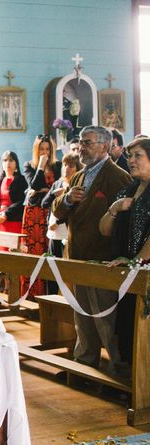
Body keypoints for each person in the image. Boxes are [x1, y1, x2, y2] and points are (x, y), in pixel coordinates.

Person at [53, 126, 132, 374]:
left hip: (101, 261)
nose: (82, 148)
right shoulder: (79, 176)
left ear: (104, 147)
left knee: (106, 322)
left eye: (87, 143)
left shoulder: (117, 177)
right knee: (82, 318)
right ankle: (84, 366)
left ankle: (121, 371)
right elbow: (58, 211)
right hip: (77, 258)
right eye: (81, 142)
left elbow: (124, 223)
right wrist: (67, 200)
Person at [99, 136, 150, 368]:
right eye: (129, 156)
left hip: (141, 270)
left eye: (138, 156)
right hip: (127, 270)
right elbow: (104, 230)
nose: (131, 160)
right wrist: (114, 208)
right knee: (128, 329)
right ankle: (132, 382)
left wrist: (134, 262)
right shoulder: (128, 189)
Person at [21, 134, 60, 298]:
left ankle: (49, 295)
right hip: (33, 215)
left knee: (49, 251)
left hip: (51, 212)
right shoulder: (28, 165)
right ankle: (32, 295)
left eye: (47, 149)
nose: (45, 152)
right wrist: (41, 167)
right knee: (34, 252)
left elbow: (57, 187)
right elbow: (35, 185)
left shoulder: (58, 166)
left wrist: (43, 191)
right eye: (41, 149)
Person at [42, 153, 82, 259]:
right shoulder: (57, 184)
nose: (66, 168)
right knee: (51, 262)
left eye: (71, 165)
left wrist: (57, 222)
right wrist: (53, 194)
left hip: (67, 232)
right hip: (53, 231)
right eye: (64, 165)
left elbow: (74, 209)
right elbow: (44, 203)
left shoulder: (77, 186)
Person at [0, 150, 27, 251]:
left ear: (16, 163)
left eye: (11, 160)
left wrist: (6, 214)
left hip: (13, 221)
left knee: (12, 254)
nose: (8, 163)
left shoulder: (21, 179)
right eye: (5, 160)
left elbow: (22, 201)